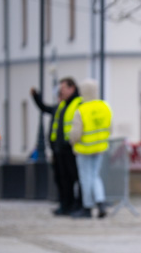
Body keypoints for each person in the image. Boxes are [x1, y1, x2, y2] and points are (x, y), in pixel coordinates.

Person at [31, 77, 81, 215]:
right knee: (61, 179)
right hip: (58, 150)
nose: (60, 92)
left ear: (72, 88)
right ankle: (65, 205)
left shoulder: (77, 104)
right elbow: (45, 108)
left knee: (72, 179)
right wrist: (36, 97)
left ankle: (74, 205)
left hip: (70, 150)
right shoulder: (62, 105)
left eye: (63, 89)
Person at [69, 79, 111, 219]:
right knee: (95, 177)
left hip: (84, 149)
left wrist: (71, 141)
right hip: (100, 148)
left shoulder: (81, 110)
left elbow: (76, 133)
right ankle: (100, 202)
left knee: (86, 179)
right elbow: (110, 128)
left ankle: (87, 207)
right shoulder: (104, 106)